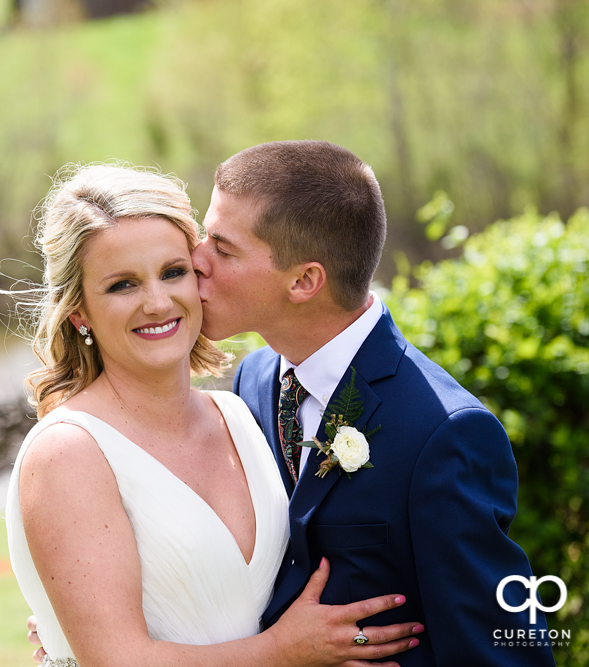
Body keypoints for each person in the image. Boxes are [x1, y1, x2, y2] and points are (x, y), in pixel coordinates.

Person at [5, 163, 424, 667]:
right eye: (122, 285)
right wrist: (283, 652)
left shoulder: (243, 412)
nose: (158, 303)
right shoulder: (69, 452)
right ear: (79, 311)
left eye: (173, 272)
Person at [186, 140, 554, 666]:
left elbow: (507, 652)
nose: (195, 260)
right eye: (205, 235)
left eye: (223, 249)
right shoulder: (253, 380)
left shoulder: (446, 433)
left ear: (304, 281)